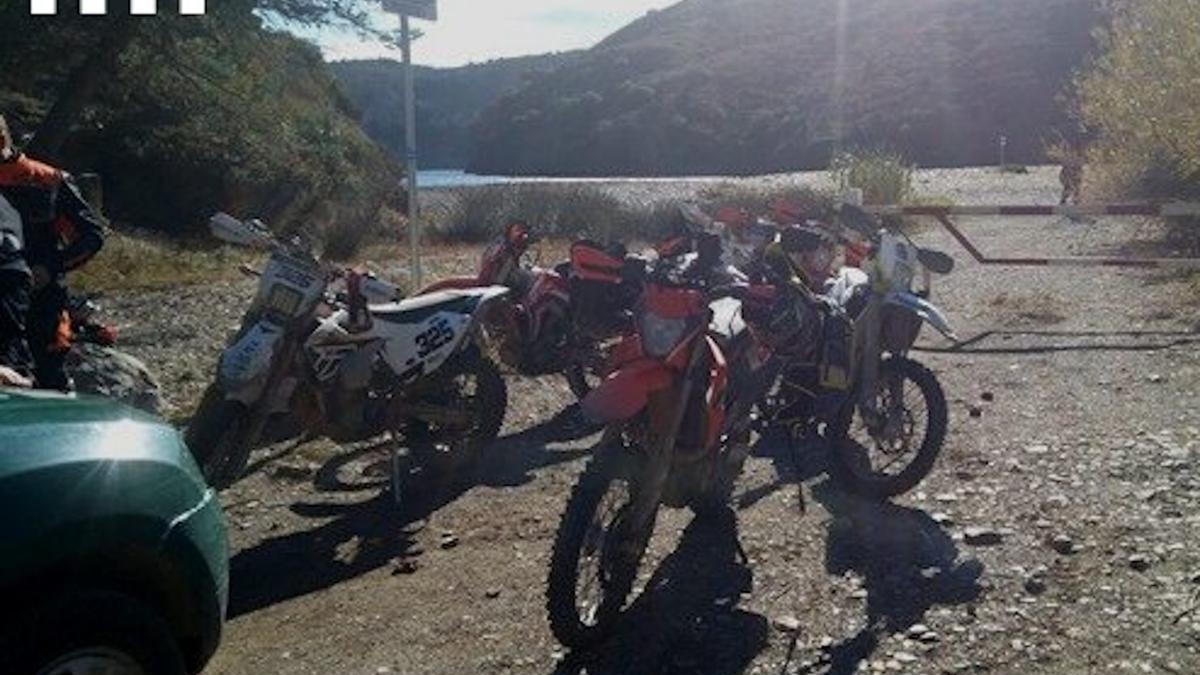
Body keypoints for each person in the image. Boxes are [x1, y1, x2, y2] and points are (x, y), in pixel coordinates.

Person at [0, 114, 105, 390]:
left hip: (41, 301)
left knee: (46, 380)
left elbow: (91, 236)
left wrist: (50, 267)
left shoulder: (47, 181)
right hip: (5, 297)